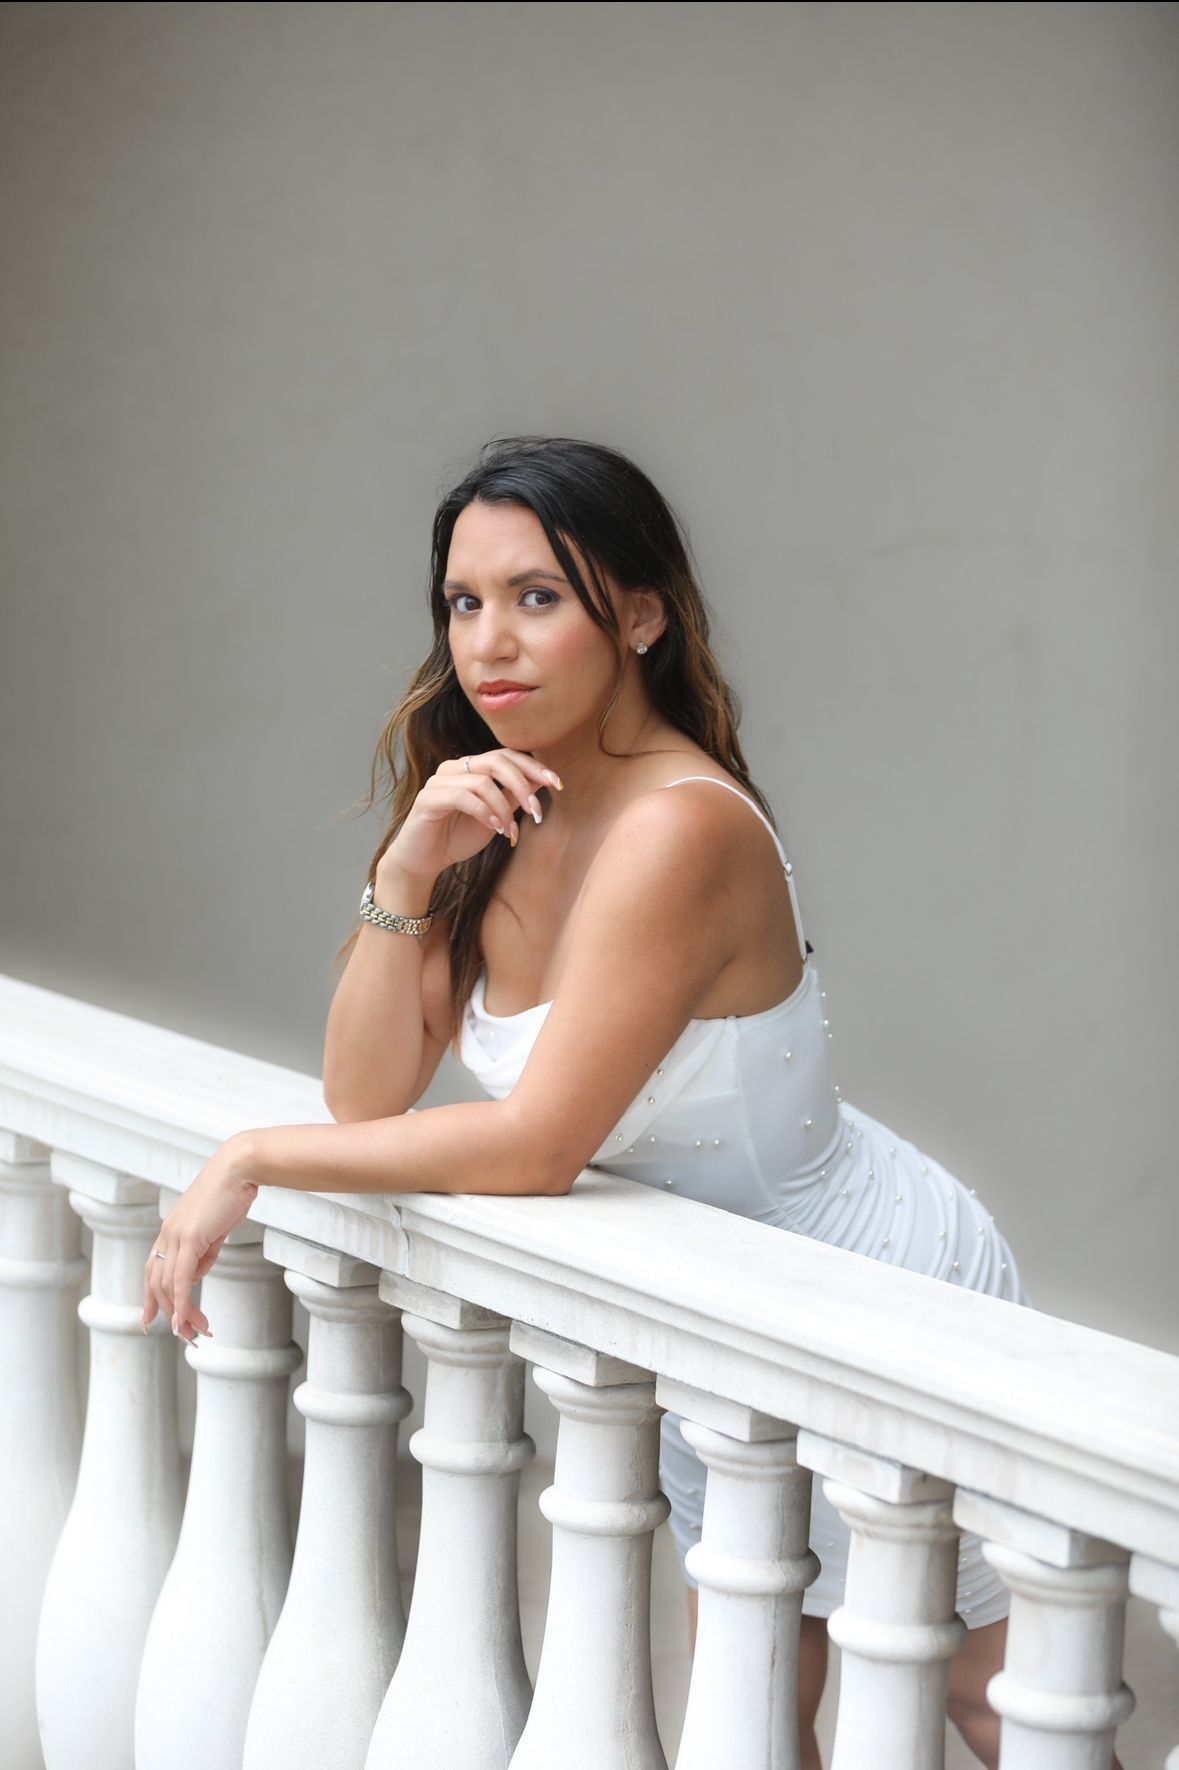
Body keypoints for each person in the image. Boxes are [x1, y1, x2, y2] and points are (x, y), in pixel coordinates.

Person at [143, 435, 1049, 1770]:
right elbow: (368, 1089)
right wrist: (408, 859)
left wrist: (251, 1155)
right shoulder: (500, 806)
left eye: (537, 595)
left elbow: (535, 1143)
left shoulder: (681, 827)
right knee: (750, 1706)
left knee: (984, 1694)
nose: (490, 641)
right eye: (463, 601)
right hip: (713, 1316)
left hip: (872, 1287)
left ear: (637, 612)